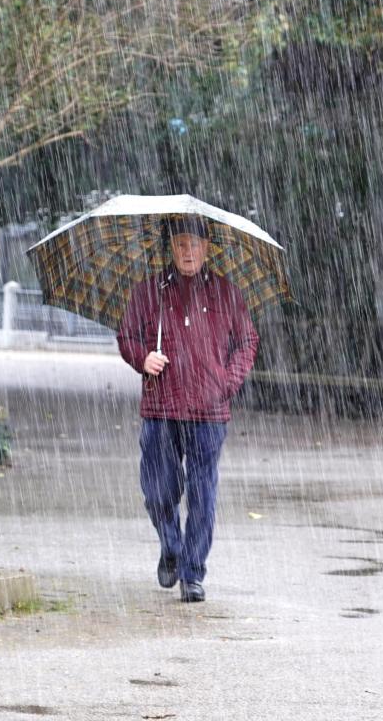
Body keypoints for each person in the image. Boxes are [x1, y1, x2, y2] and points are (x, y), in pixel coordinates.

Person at [117, 214, 260, 602]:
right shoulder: (150, 292)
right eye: (180, 244)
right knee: (158, 489)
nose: (187, 251)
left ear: (207, 248)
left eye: (194, 244)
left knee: (203, 494)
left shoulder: (227, 293)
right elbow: (127, 335)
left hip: (209, 412)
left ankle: (193, 573)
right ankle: (171, 546)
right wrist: (142, 357)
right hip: (161, 407)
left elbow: (247, 342)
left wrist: (226, 382)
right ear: (171, 248)